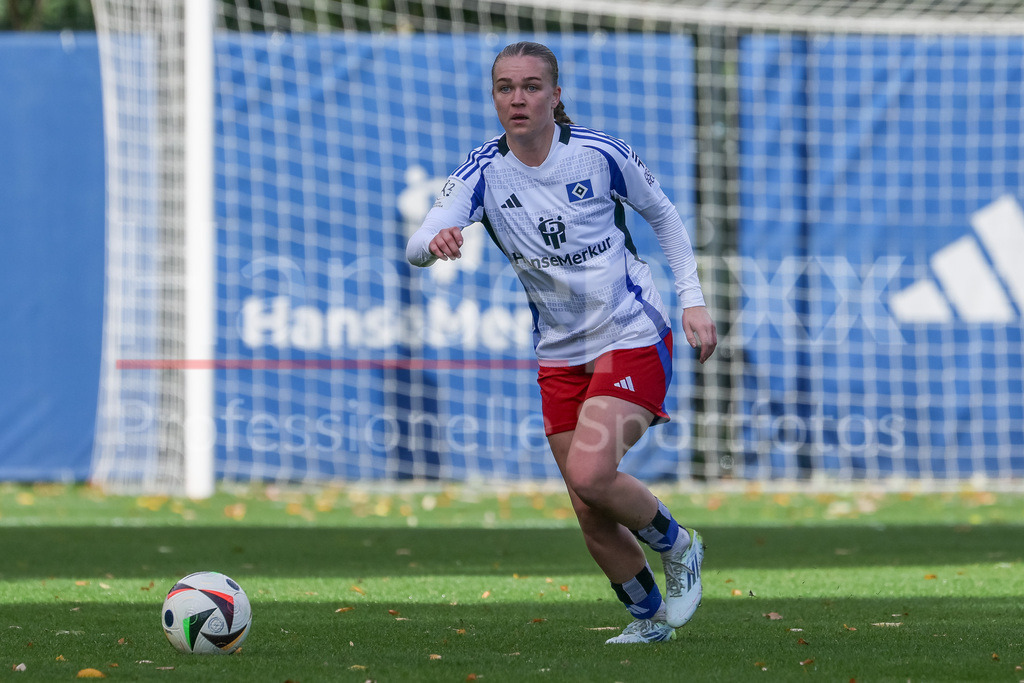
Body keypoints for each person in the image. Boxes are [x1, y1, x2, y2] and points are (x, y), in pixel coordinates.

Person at [406, 41, 717, 644]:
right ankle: (649, 620)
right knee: (586, 505)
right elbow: (418, 241)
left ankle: (680, 546)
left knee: (592, 472)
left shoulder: (598, 154)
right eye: (505, 87)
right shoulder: (483, 172)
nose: (517, 98)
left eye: (530, 86)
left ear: (555, 95)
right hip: (559, 351)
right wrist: (436, 241)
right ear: (494, 97)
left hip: (629, 330)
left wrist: (693, 300)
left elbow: (666, 217)